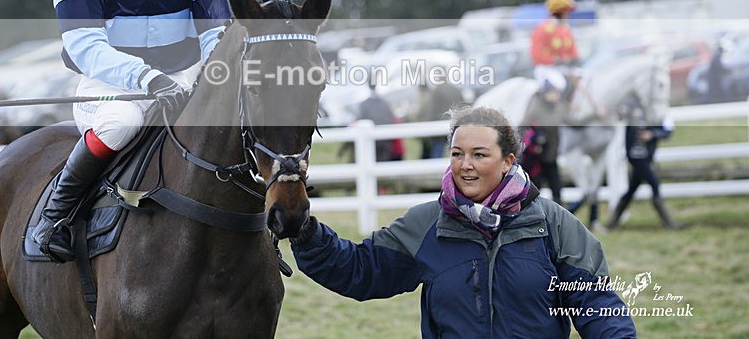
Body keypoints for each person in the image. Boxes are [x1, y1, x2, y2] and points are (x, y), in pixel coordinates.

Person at [31, 0, 230, 263]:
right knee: (122, 122)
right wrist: (146, 78)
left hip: (181, 74)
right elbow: (85, 46)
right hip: (110, 84)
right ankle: (56, 214)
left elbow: (216, 28)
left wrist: (213, 74)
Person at [291, 105, 637, 338]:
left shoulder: (553, 223)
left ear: (508, 161)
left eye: (479, 155)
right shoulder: (426, 224)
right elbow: (360, 270)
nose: (465, 165)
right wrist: (305, 230)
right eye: (457, 154)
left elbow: (597, 303)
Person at [607, 95, 682, 230]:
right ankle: (668, 223)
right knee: (654, 183)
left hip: (647, 155)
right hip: (636, 155)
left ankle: (613, 223)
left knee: (631, 190)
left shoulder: (659, 111)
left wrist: (652, 134)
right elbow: (620, 115)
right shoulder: (632, 106)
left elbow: (667, 131)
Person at [521, 70, 567, 204]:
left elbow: (574, 121)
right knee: (535, 192)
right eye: (553, 92)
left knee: (557, 190)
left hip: (551, 157)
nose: (556, 95)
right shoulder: (535, 107)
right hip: (537, 159)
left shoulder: (559, 108)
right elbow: (522, 126)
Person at [530, 0, 580, 92]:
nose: (568, 15)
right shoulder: (542, 29)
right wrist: (555, 60)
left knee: (584, 77)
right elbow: (537, 54)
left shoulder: (566, 29)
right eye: (566, 12)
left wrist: (575, 58)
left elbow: (572, 50)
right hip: (546, 69)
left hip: (564, 68)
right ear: (559, 12)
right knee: (560, 84)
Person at [355, 79, 397, 162]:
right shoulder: (385, 103)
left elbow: (359, 120)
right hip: (385, 139)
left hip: (373, 140)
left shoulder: (364, 105)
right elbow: (391, 118)